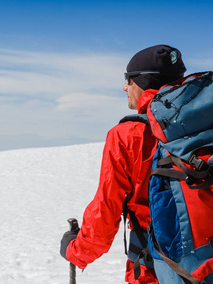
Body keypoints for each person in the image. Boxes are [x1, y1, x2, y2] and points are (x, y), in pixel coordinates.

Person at [60, 45, 187, 283]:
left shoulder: (129, 135)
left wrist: (75, 250)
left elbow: (105, 213)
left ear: (142, 82)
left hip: (160, 270)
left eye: (128, 79)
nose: (124, 87)